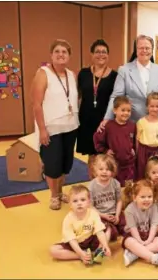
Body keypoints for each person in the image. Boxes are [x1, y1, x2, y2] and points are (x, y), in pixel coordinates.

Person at [32, 39, 79, 210]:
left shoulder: (72, 75)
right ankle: (53, 196)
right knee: (52, 164)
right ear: (51, 55)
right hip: (51, 129)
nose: (61, 54)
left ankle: (60, 192)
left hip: (71, 126)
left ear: (69, 56)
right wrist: (42, 130)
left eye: (64, 52)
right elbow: (36, 104)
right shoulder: (43, 73)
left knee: (65, 164)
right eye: (57, 51)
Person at [99, 35, 158, 130]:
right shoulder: (124, 70)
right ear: (136, 50)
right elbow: (116, 96)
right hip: (131, 123)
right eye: (141, 48)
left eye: (147, 48)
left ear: (152, 50)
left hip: (154, 124)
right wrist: (107, 118)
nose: (144, 50)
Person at [76, 39, 117, 178]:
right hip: (87, 120)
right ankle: (94, 187)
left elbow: (116, 100)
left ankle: (107, 188)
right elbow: (79, 96)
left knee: (107, 156)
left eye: (104, 52)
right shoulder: (83, 73)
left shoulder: (115, 76)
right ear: (92, 54)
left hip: (105, 121)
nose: (101, 55)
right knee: (92, 157)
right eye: (97, 52)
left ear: (108, 55)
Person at [49, 185, 111, 265]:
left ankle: (99, 250)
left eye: (83, 200)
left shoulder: (93, 213)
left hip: (91, 239)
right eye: (75, 201)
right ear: (70, 204)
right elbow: (71, 240)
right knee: (53, 250)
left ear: (88, 202)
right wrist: (80, 254)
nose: (79, 203)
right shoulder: (68, 219)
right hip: (76, 243)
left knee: (108, 229)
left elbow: (99, 231)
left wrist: (105, 245)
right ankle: (83, 256)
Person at [121, 180, 158, 269]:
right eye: (143, 197)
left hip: (148, 235)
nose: (147, 199)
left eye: (149, 196)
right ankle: (154, 258)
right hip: (133, 235)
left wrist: (148, 240)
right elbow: (133, 228)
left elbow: (154, 225)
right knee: (129, 242)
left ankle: (134, 254)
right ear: (135, 197)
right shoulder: (129, 210)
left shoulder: (154, 207)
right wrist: (140, 241)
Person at [93, 96, 136, 187]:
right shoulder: (108, 126)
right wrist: (105, 150)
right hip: (113, 165)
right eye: (123, 110)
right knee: (114, 187)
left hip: (129, 166)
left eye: (128, 111)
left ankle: (127, 200)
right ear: (115, 110)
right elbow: (97, 139)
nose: (126, 113)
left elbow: (136, 141)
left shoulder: (132, 126)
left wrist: (133, 149)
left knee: (128, 188)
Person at [88, 154, 125, 243]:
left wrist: (117, 215)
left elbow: (119, 201)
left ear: (112, 172)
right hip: (101, 215)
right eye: (101, 169)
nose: (104, 172)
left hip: (115, 212)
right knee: (109, 230)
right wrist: (103, 215)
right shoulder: (91, 186)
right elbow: (90, 207)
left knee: (128, 225)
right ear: (95, 170)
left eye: (107, 169)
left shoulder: (115, 183)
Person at [135, 92, 158, 180]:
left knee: (156, 173)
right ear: (147, 107)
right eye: (152, 106)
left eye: (157, 106)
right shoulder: (141, 122)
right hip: (143, 151)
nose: (155, 109)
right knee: (143, 172)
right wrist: (138, 154)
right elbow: (137, 139)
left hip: (156, 151)